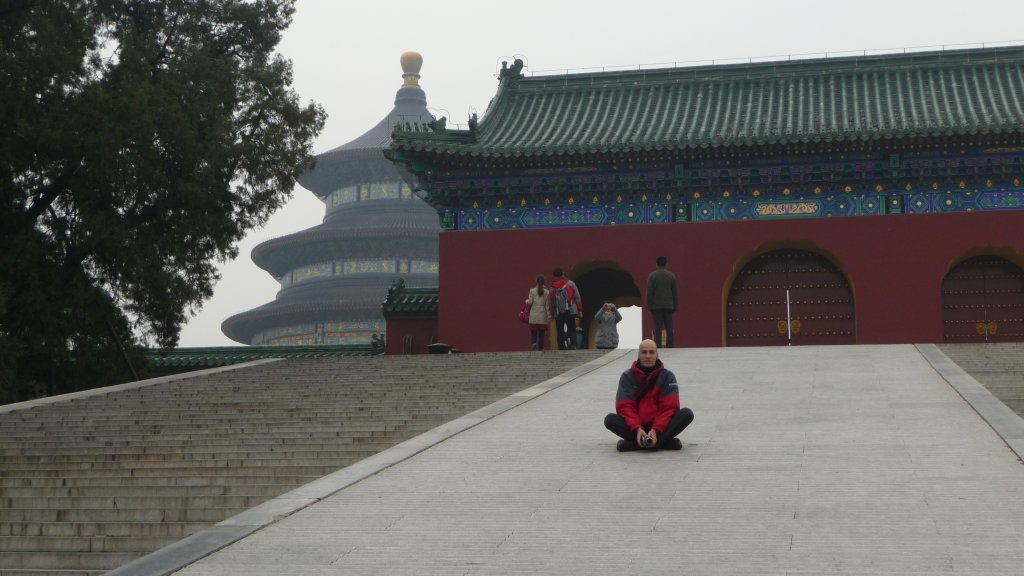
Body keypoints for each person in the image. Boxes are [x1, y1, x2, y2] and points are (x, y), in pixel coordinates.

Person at [604, 339, 694, 452]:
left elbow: (669, 408)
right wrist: (637, 428)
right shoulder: (627, 376)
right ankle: (663, 443)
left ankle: (635, 445)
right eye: (644, 352)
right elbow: (625, 407)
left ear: (657, 354)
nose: (648, 356)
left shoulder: (667, 376)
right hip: (635, 426)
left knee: (687, 414)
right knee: (610, 420)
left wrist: (656, 429)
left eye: (651, 352)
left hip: (660, 427)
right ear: (638, 354)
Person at [646, 255, 678, 348]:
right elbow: (675, 293)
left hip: (656, 306)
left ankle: (658, 346)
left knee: (657, 327)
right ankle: (670, 346)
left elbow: (649, 292)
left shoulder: (652, 276)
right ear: (666, 264)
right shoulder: (672, 276)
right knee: (669, 327)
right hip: (669, 306)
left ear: (656, 264)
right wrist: (675, 307)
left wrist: (649, 306)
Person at [548, 267, 582, 350]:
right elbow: (577, 297)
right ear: (563, 273)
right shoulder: (570, 283)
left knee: (560, 330)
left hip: (558, 312)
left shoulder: (552, 287)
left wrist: (552, 314)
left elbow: (551, 302)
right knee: (572, 329)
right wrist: (580, 310)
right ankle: (573, 345)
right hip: (571, 310)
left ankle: (561, 347)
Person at [525, 275, 552, 350]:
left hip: (533, 315)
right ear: (544, 282)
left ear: (536, 281)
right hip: (542, 315)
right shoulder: (547, 292)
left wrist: (527, 301)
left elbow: (530, 302)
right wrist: (549, 316)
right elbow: (547, 305)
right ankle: (540, 349)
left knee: (534, 333)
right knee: (541, 334)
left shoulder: (532, 291)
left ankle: (534, 344)